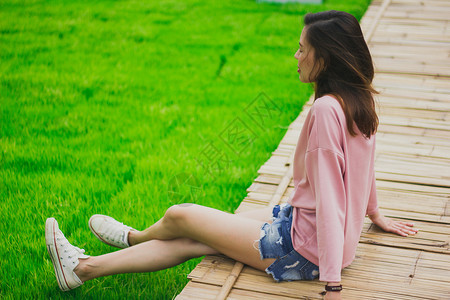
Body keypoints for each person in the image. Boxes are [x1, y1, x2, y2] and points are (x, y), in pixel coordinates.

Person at [45, 10, 418, 300]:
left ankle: (125, 243)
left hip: (302, 249)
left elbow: (333, 202)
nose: (296, 55)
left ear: (326, 58)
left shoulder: (326, 111)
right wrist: (375, 213)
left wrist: (333, 284)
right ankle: (87, 265)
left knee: (181, 215)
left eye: (303, 49)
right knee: (192, 236)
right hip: (309, 234)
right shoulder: (359, 99)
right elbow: (363, 166)